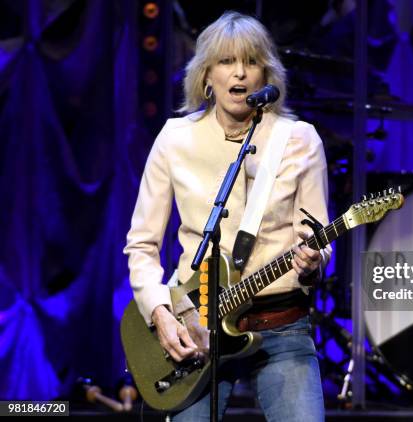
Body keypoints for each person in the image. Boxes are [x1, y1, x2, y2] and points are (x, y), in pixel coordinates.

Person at [124, 11, 330, 422]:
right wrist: (160, 312)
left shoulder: (300, 140)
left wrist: (313, 264)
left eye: (251, 61)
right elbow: (142, 246)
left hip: (282, 327)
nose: (240, 73)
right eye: (226, 61)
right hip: (195, 328)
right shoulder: (175, 138)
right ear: (206, 75)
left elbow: (317, 241)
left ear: (266, 74)